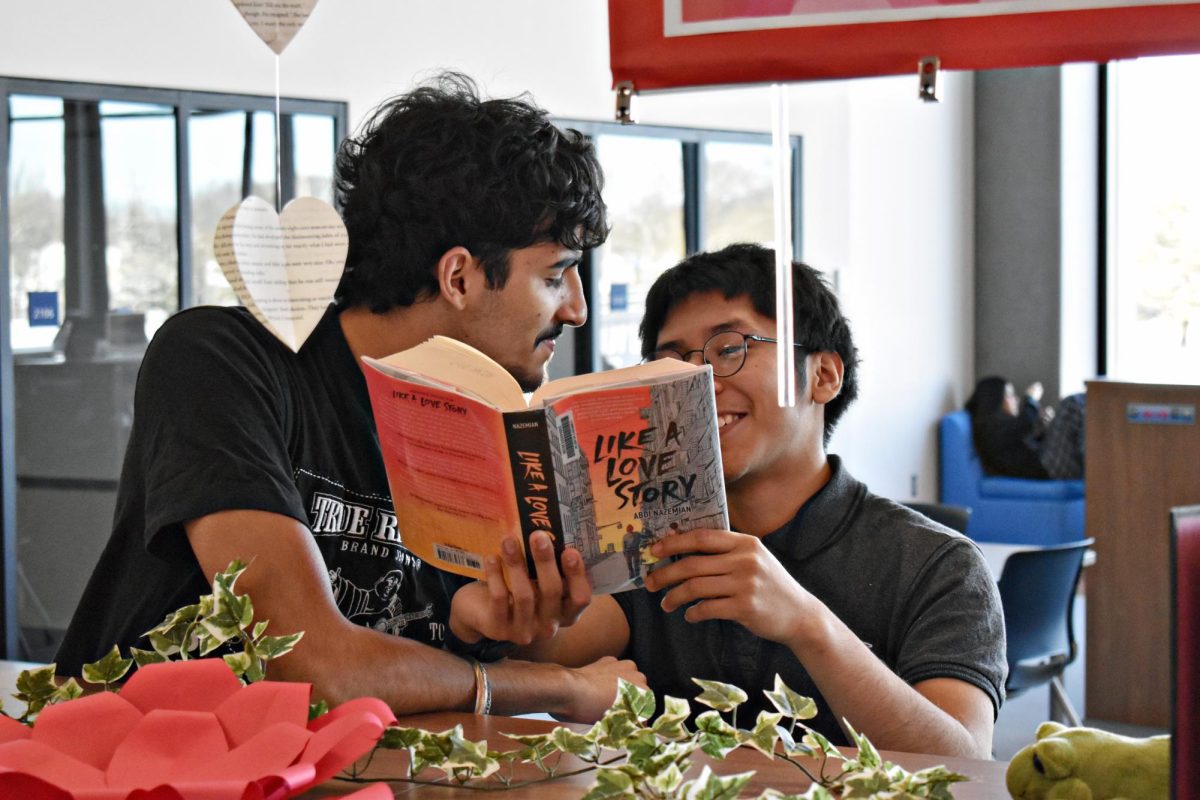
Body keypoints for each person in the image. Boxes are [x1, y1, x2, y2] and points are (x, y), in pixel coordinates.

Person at [53, 73, 642, 721]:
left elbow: (571, 634)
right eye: (556, 275)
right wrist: (556, 687)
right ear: (459, 277)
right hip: (152, 773)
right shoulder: (224, 360)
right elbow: (314, 665)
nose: (579, 310)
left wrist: (486, 630)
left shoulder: (489, 423)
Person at [451, 243, 1007, 758]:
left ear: (824, 375)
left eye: (730, 348)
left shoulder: (939, 566)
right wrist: (497, 621)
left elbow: (961, 764)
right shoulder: (645, 541)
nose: (699, 380)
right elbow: (556, 647)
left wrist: (808, 624)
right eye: (675, 362)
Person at [965, 376, 1086, 480]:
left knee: (1073, 408)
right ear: (995, 400)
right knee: (1072, 404)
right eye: (1010, 395)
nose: (1016, 400)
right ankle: (1094, 467)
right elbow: (1025, 423)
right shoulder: (989, 429)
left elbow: (1021, 443)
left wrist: (1046, 429)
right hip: (1044, 468)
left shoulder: (999, 428)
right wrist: (1030, 399)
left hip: (1043, 463)